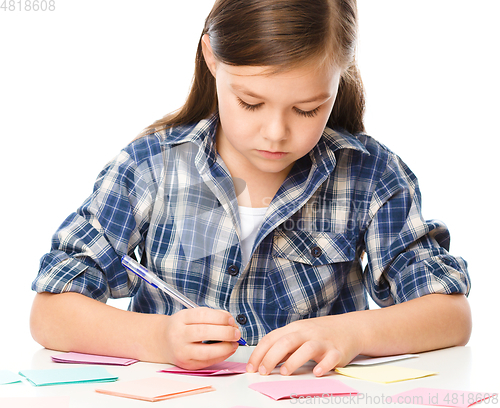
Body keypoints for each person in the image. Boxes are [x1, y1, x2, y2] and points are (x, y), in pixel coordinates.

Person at [30, 0, 472, 377]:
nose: (276, 133)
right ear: (212, 57)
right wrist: (159, 339)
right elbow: (50, 314)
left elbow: (451, 317)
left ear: (341, 77)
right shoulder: (150, 169)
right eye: (251, 102)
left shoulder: (371, 175)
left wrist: (353, 333)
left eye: (306, 109)